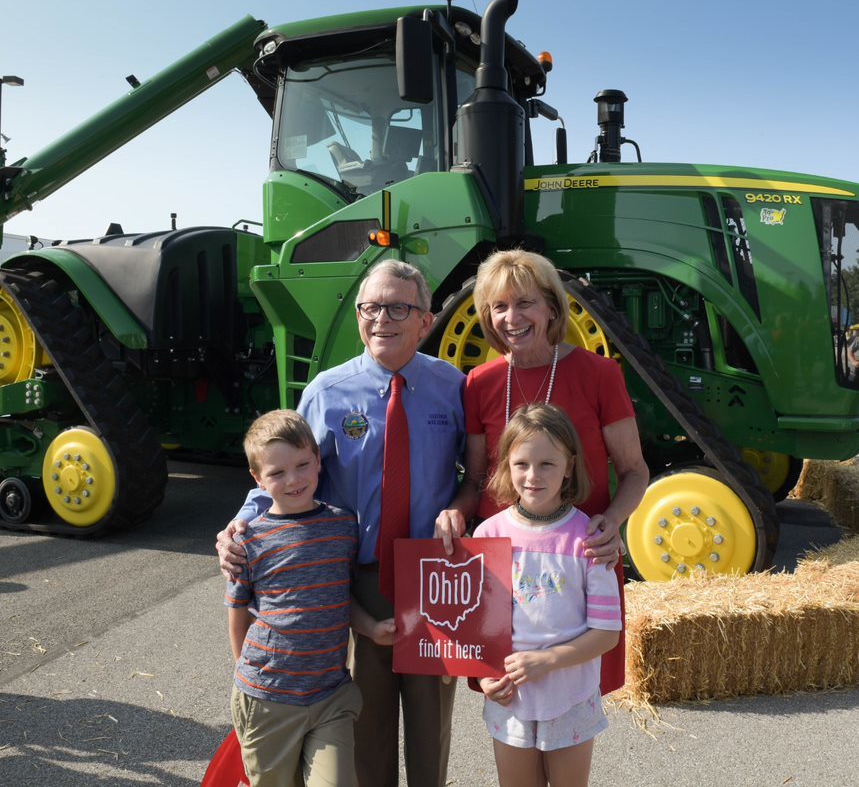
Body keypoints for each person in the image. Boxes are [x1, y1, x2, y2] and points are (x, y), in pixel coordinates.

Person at [218, 259, 471, 787]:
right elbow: (281, 469)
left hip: (433, 579)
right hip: (359, 579)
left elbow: (480, 472)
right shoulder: (328, 392)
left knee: (432, 727)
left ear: (425, 320)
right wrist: (240, 523)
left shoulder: (454, 387)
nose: (382, 318)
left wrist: (463, 510)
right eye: (371, 307)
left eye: (399, 307)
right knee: (366, 726)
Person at [436, 248, 648, 695]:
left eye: (525, 302)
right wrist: (454, 510)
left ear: (552, 307)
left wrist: (613, 523)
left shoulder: (599, 374)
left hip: (578, 562)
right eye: (498, 306)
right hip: (503, 570)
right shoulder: (479, 383)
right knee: (510, 707)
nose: (511, 317)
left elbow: (633, 471)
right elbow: (476, 480)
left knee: (571, 701)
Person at [227, 409, 394, 786]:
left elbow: (337, 596)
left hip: (330, 696)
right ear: (257, 479)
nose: (294, 479)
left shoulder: (343, 526)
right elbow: (237, 609)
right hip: (269, 699)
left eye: (302, 464)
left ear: (319, 460)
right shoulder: (249, 541)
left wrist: (371, 628)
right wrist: (242, 670)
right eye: (277, 473)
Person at [475, 404, 621, 787]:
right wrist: (483, 676)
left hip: (571, 697)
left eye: (547, 464)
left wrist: (547, 661)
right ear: (507, 465)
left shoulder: (591, 539)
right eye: (521, 463)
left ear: (569, 466)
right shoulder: (487, 536)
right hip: (509, 698)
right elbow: (477, 629)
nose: (533, 475)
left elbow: (607, 633)